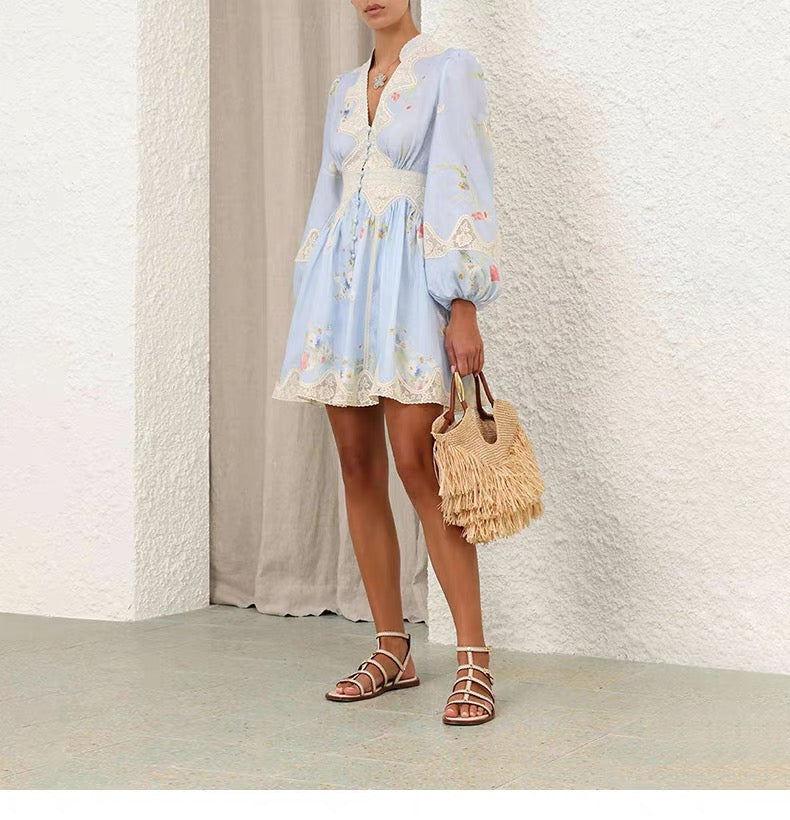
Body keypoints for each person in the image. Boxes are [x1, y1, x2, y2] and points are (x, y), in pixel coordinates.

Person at [272, 0, 502, 726]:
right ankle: (392, 650)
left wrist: (461, 302)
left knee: (418, 465)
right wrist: (310, 290)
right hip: (339, 294)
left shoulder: (449, 71)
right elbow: (327, 195)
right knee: (356, 466)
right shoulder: (344, 89)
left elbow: (463, 181)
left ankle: (473, 660)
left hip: (408, 285)